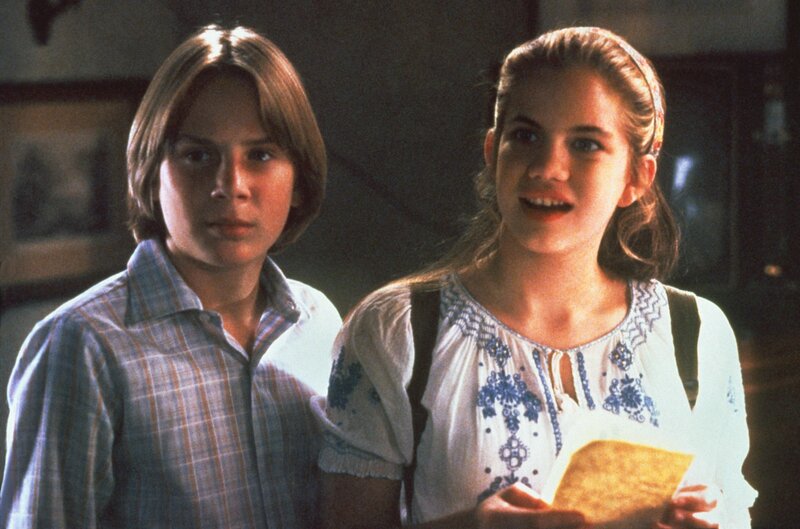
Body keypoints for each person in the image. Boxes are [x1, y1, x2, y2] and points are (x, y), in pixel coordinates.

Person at [315, 27, 756, 529]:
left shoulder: (696, 334)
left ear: (637, 177)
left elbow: (733, 512)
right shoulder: (396, 330)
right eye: (525, 136)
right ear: (492, 151)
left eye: (586, 144)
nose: (547, 167)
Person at [0, 25, 341, 529]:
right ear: (151, 171)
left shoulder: (320, 324)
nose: (230, 185)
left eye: (261, 155)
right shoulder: (84, 345)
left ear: (299, 180)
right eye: (198, 155)